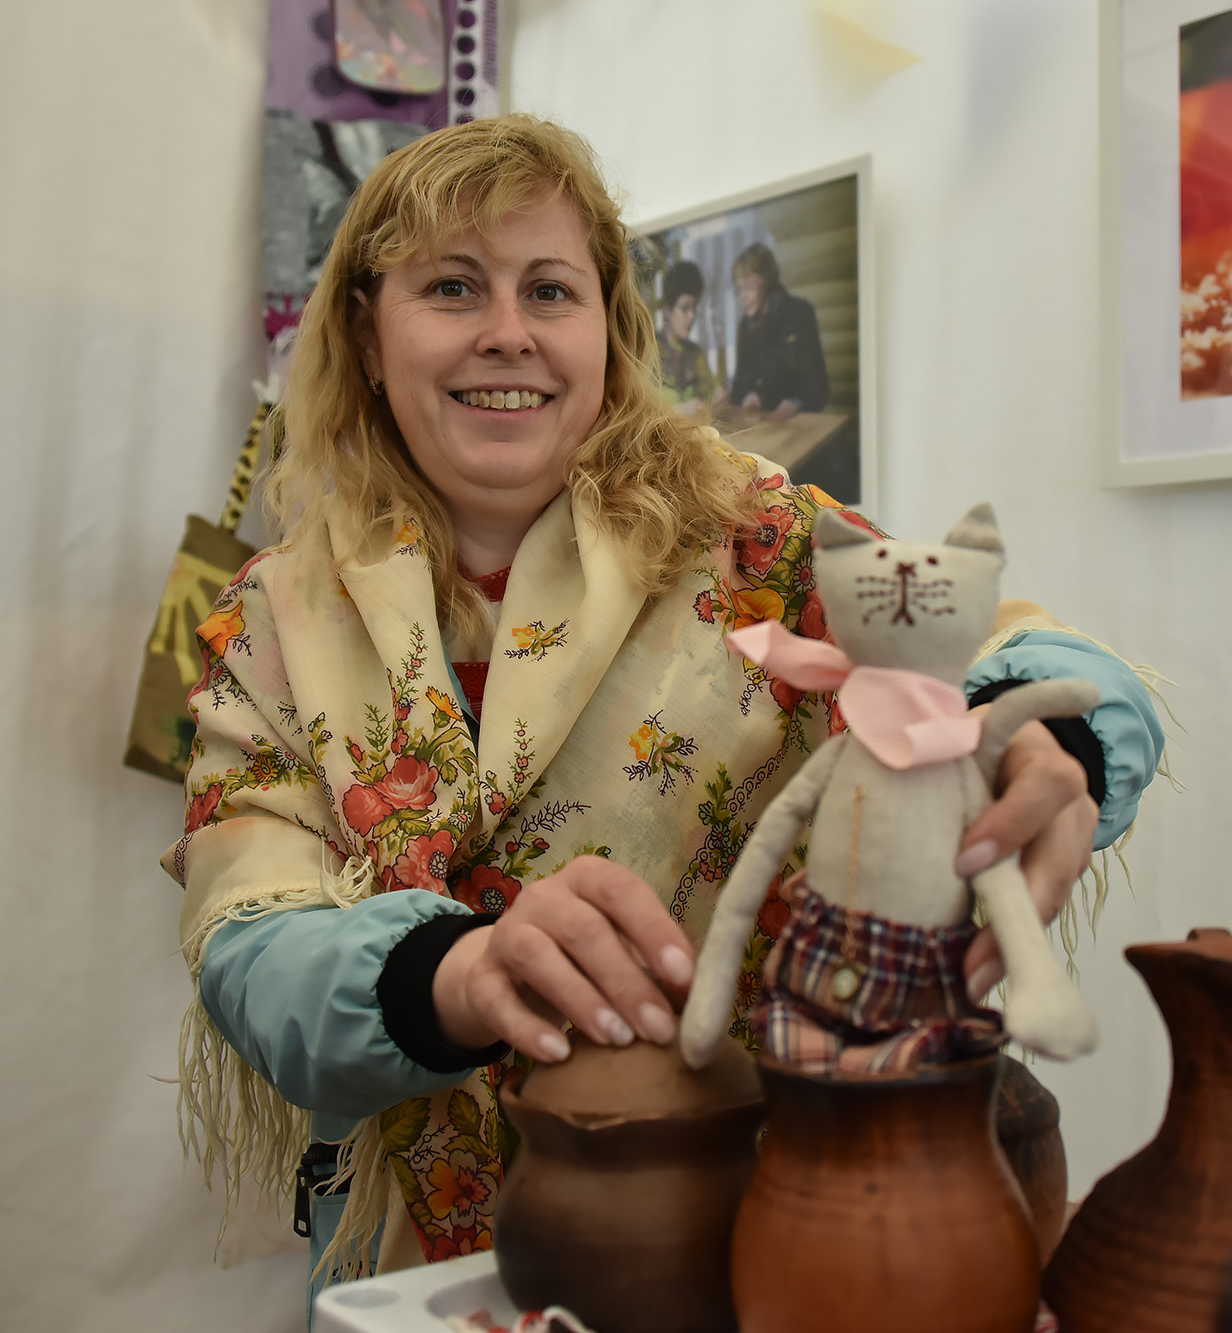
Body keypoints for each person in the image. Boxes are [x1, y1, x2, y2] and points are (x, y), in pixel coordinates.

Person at [163, 114, 1164, 1312]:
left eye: (549, 289)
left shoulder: (750, 538)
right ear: (368, 335)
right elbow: (249, 940)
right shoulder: (275, 619)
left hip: (763, 1236)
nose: (508, 331)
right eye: (451, 286)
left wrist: (1044, 739)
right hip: (412, 1276)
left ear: (609, 330)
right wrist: (456, 975)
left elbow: (991, 643)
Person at [727, 242, 829, 421]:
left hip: (800, 423)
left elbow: (818, 388)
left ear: (766, 282)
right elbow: (741, 385)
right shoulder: (745, 326)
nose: (743, 296)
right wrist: (745, 396)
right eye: (739, 288)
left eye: (749, 285)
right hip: (762, 425)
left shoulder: (799, 313)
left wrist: (797, 402)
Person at [657, 259, 721, 411]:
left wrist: (719, 397)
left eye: (694, 307)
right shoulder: (649, 350)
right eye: (685, 308)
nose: (691, 316)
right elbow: (641, 408)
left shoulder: (696, 353)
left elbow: (714, 392)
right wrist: (680, 411)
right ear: (667, 309)